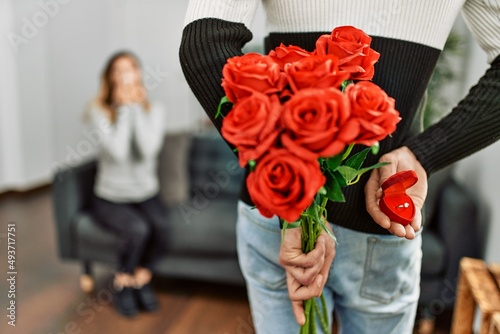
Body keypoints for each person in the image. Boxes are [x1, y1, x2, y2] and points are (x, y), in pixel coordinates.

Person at [179, 1, 500, 333]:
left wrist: (292, 192)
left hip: (286, 219)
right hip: (379, 215)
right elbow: (203, 44)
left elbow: (203, 42)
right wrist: (422, 154)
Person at [86, 51, 168, 317]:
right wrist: (123, 109)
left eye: (130, 68)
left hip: (145, 193)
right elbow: (119, 152)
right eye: (118, 70)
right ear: (110, 77)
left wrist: (135, 109)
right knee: (138, 229)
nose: (126, 75)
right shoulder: (99, 110)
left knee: (162, 227)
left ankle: (140, 279)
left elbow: (148, 151)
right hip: (110, 196)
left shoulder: (154, 111)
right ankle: (123, 284)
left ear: (139, 73)